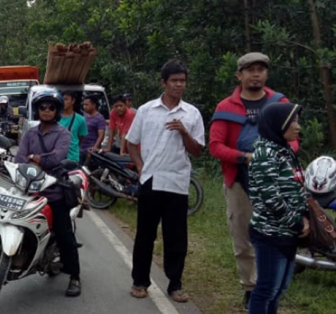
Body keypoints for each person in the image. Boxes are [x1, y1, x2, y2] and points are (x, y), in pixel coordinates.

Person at [209, 52, 293, 308]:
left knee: (278, 236)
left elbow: (294, 139)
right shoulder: (226, 107)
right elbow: (215, 146)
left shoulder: (280, 103)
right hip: (238, 182)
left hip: (275, 183)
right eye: (250, 70)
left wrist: (273, 157)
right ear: (239, 75)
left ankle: (272, 286)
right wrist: (245, 157)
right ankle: (250, 287)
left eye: (261, 69)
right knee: (243, 237)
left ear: (266, 74)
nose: (256, 74)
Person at [127, 60, 205, 303]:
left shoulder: (191, 113)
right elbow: (132, 142)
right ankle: (140, 281)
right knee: (145, 235)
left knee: (176, 237)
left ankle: (175, 284)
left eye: (182, 81)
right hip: (151, 179)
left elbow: (197, 150)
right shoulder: (147, 110)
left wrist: (183, 131)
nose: (179, 85)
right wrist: (140, 168)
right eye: (174, 81)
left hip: (178, 181)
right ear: (164, 83)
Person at [15, 88, 81, 297]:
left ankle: (75, 277)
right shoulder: (30, 133)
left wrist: (34, 157)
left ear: (57, 110)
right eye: (42, 107)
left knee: (64, 234)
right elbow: (19, 159)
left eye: (51, 107)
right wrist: (38, 159)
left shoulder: (63, 133)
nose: (46, 111)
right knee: (5, 214)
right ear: (37, 109)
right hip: (29, 188)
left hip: (54, 191)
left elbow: (56, 159)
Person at [248, 103, 308, 314]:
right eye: (293, 121)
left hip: (287, 232)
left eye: (297, 121)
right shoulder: (266, 154)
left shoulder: (284, 150)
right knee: (266, 290)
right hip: (271, 233)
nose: (297, 126)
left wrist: (305, 215)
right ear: (277, 124)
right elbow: (271, 198)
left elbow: (297, 187)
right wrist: (297, 221)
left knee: (278, 289)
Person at [59, 91, 88, 163]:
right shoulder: (54, 118)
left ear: (73, 101)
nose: (63, 102)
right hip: (57, 158)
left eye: (66, 99)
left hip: (72, 158)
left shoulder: (80, 120)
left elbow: (80, 138)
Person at [80, 94, 106, 165]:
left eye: (87, 105)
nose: (84, 107)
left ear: (94, 105)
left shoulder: (99, 118)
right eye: (84, 104)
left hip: (90, 150)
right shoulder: (84, 116)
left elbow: (101, 135)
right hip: (81, 149)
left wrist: (95, 148)